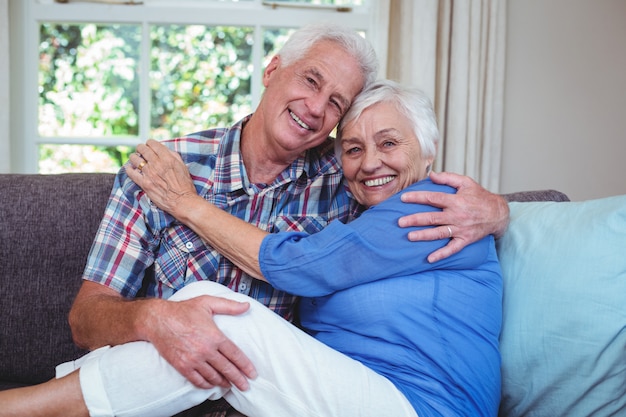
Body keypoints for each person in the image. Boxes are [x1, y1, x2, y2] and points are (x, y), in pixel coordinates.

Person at [0, 79, 502, 417]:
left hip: (422, 405)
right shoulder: (362, 217)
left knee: (217, 317)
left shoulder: (436, 205)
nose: (370, 162)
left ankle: (27, 405)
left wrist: (185, 203)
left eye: (390, 143)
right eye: (352, 148)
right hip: (355, 395)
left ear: (429, 150)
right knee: (202, 313)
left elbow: (296, 264)